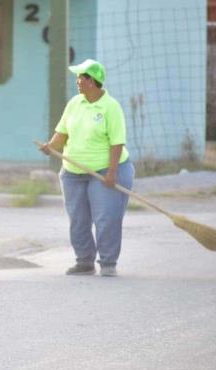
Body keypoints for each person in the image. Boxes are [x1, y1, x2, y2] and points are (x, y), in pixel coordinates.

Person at [40, 59, 134, 277]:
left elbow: (117, 142)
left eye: (81, 77)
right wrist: (51, 146)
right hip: (72, 172)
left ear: (92, 81)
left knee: (106, 218)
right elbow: (62, 132)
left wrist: (112, 173)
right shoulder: (75, 103)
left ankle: (108, 263)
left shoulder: (111, 107)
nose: (77, 81)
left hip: (105, 171)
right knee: (78, 218)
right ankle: (84, 261)